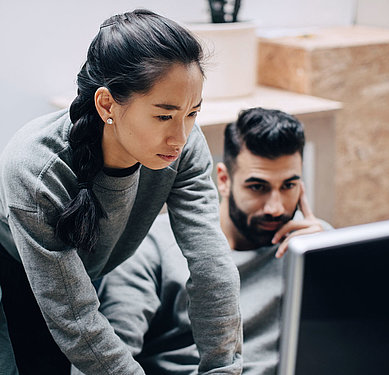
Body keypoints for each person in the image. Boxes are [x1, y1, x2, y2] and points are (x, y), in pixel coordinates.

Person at [0, 9, 242, 375]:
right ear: (107, 104)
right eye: (164, 116)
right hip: (15, 276)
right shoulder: (35, 170)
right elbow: (74, 316)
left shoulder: (185, 148)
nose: (179, 137)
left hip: (86, 275)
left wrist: (224, 367)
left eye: (192, 113)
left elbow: (212, 266)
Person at [97, 107, 332, 374]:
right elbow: (108, 360)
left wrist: (332, 265)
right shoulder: (152, 247)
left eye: (289, 186)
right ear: (223, 180)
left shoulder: (313, 242)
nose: (275, 208)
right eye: (258, 187)